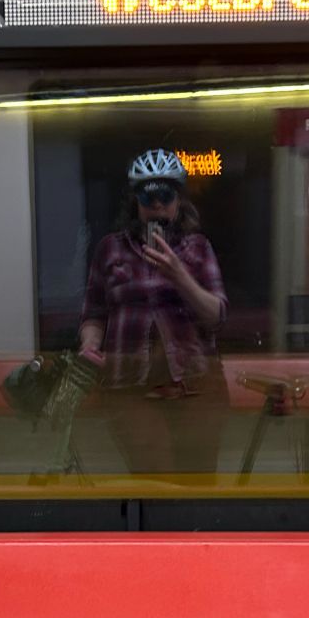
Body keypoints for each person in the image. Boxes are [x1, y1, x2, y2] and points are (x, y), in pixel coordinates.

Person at [79, 148, 229, 474]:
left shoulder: (197, 247)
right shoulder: (110, 249)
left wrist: (180, 275)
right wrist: (90, 345)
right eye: (148, 197)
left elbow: (216, 317)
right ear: (136, 202)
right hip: (129, 382)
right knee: (153, 468)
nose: (158, 204)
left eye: (166, 194)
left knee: (199, 475)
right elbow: (94, 313)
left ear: (179, 200)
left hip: (196, 381)